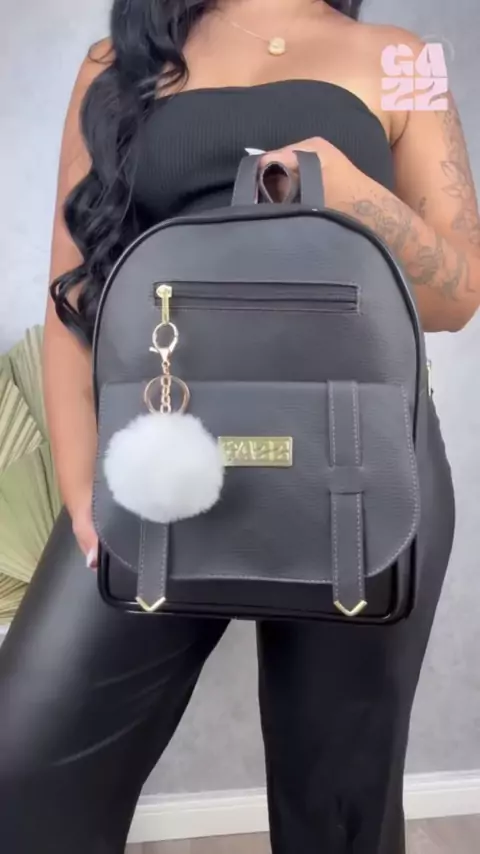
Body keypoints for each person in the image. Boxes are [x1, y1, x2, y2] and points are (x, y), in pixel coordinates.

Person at [1, 1, 479, 852]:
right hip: (162, 457)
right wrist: (83, 492)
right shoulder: (113, 61)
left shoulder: (407, 57)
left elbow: (460, 291)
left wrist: (348, 193)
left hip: (362, 464)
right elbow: (72, 301)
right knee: (22, 759)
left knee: (339, 809)